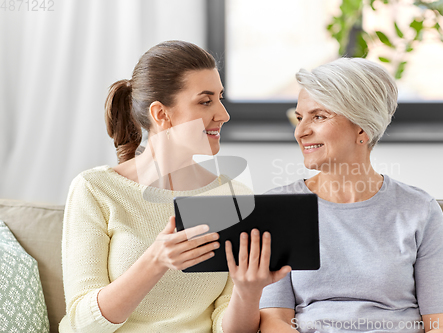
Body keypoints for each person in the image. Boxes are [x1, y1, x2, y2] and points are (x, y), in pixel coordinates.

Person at [59, 40, 289, 333]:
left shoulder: (235, 196)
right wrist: (156, 260)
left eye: (220, 98)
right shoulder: (96, 189)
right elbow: (80, 324)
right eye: (205, 101)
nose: (223, 114)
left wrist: (248, 291)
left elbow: (226, 328)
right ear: (160, 114)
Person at [258, 58, 443, 333]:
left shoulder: (419, 209)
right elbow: (275, 320)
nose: (300, 131)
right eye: (299, 118)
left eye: (318, 116)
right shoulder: (280, 208)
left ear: (362, 127)